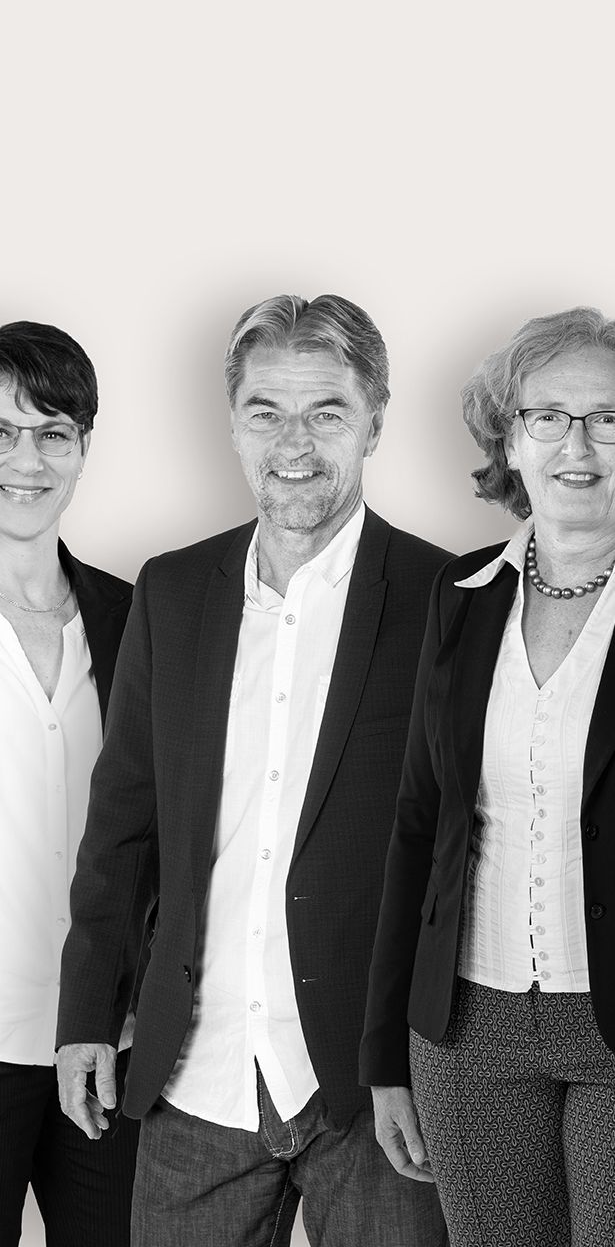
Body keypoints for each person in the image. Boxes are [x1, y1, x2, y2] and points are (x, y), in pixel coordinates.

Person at [56, 294, 450, 1246]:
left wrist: (428, 1058)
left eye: (326, 412)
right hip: (196, 1076)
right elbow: (124, 822)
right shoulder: (172, 590)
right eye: (265, 411)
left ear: (375, 422)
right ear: (231, 424)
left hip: (377, 1091)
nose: (293, 443)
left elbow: (460, 850)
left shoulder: (446, 597)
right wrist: (86, 1013)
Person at [360, 305, 615, 1246]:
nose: (576, 446)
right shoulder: (461, 595)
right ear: (509, 440)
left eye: (607, 417)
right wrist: (385, 1052)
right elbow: (418, 822)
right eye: (547, 417)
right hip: (466, 1031)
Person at [0, 322, 139, 1246]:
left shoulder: (132, 616)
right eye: (1, 433)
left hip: (104, 1044)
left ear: (84, 447)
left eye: (52, 432)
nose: (27, 461)